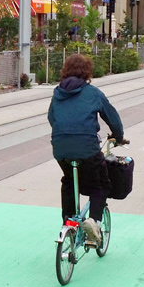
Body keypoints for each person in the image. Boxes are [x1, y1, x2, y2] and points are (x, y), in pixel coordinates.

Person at [48, 54, 125, 248]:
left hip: (61, 149)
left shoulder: (57, 93)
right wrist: (119, 136)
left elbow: (51, 118)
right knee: (101, 185)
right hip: (87, 148)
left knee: (69, 181)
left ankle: (69, 222)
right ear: (87, 72)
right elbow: (113, 119)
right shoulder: (93, 93)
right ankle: (93, 222)